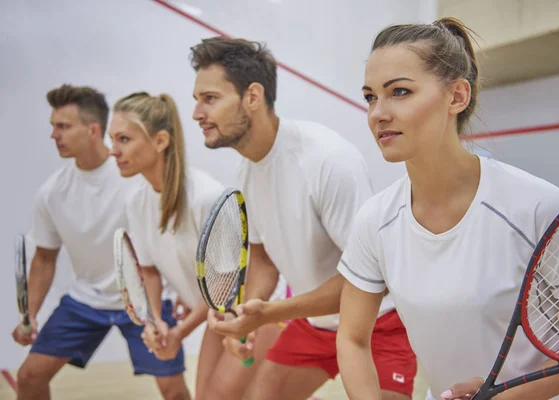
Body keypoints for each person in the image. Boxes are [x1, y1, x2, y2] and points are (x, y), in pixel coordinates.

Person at [334, 17, 559, 400]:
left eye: (401, 92)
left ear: (457, 97)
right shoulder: (374, 220)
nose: (378, 112)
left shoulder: (540, 207)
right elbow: (352, 337)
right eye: (371, 96)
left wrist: (504, 397)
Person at [191, 37, 417, 400]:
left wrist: (269, 313)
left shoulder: (327, 160)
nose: (197, 114)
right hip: (315, 325)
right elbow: (264, 260)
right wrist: (247, 312)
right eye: (197, 100)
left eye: (210, 99)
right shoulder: (246, 171)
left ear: (252, 97)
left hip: (379, 323)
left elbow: (371, 278)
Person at [11, 85, 190, 400]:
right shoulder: (52, 193)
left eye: (63, 126)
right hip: (86, 301)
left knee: (173, 392)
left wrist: (184, 292)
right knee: (29, 376)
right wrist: (31, 314)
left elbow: (171, 241)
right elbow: (44, 259)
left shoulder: (135, 178)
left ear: (93, 130)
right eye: (53, 126)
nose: (53, 134)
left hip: (145, 301)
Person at [108, 91, 287, 399]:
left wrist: (179, 333)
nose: (113, 151)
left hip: (259, 310)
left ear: (161, 141)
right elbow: (149, 272)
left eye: (124, 139)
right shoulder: (136, 200)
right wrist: (157, 322)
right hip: (219, 315)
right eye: (113, 140)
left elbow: (227, 285)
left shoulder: (205, 197)